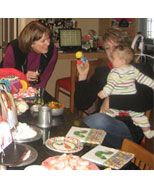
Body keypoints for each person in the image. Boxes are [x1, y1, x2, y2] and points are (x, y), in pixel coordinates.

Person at [74, 27, 153, 148]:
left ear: (125, 48)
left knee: (98, 121)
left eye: (115, 47)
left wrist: (112, 100)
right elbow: (82, 104)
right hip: (102, 126)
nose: (111, 52)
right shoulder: (103, 72)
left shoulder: (139, 69)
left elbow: (146, 100)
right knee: (93, 125)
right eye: (107, 48)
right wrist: (82, 76)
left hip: (129, 128)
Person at [98, 45, 154, 139]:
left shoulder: (115, 72)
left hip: (119, 102)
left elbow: (110, 85)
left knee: (106, 114)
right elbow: (143, 79)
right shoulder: (133, 70)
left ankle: (99, 133)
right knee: (140, 117)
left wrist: (104, 93)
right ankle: (147, 132)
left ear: (122, 61)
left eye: (114, 58)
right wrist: (153, 84)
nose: (111, 59)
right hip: (129, 98)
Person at [2, 21, 58, 88]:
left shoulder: (52, 51)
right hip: (9, 85)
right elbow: (5, 78)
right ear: (31, 43)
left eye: (48, 39)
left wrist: (36, 92)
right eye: (43, 41)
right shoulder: (14, 49)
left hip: (33, 86)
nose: (48, 43)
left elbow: (45, 77)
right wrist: (22, 77)